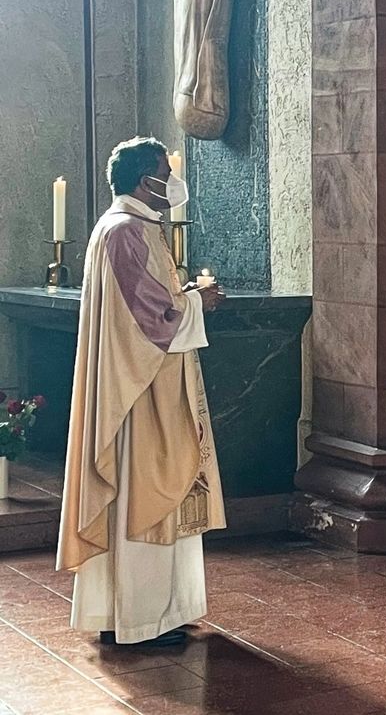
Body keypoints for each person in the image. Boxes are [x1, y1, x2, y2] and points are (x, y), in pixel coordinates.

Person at [56, 136, 226, 647]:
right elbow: (152, 320)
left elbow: (149, 303)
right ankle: (141, 619)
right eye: (161, 171)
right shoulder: (126, 232)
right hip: (141, 392)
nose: (170, 181)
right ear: (140, 180)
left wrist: (186, 298)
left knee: (151, 491)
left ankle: (151, 612)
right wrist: (200, 304)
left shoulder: (128, 228)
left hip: (145, 381)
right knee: (145, 491)